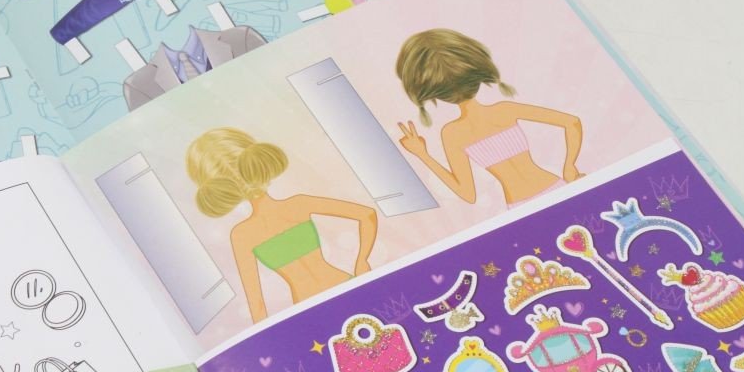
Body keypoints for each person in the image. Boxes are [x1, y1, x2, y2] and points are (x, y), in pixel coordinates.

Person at [186, 128, 377, 323]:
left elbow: (257, 305)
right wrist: (362, 260)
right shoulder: (298, 204)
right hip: (340, 288)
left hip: (311, 308)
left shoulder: (242, 235)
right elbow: (367, 214)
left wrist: (362, 261)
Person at [394, 28, 584, 207]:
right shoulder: (504, 110)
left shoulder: (452, 133)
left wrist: (423, 155)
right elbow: (572, 122)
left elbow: (468, 195)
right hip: (555, 187)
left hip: (520, 205)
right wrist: (570, 165)